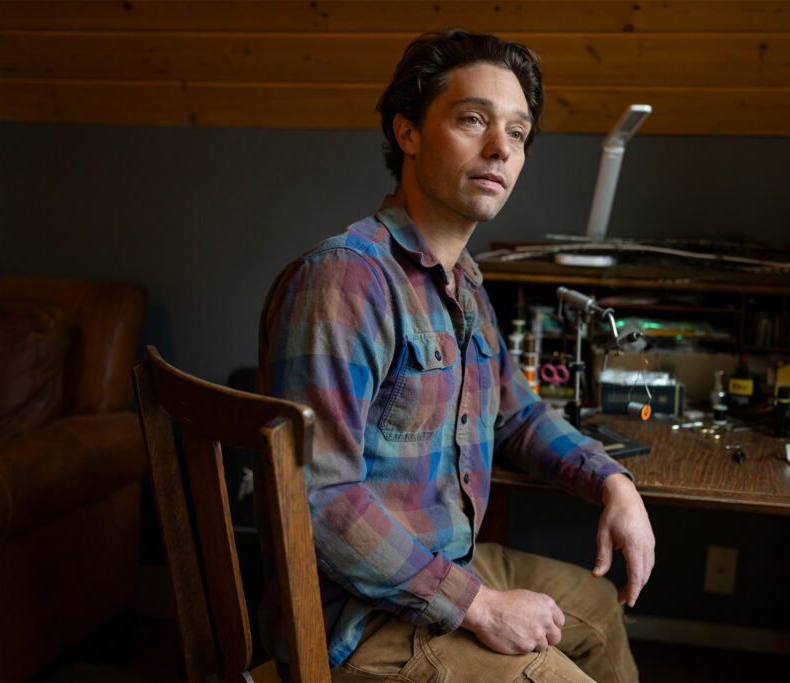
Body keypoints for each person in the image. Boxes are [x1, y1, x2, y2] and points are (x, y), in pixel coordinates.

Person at [258, 29, 655, 681]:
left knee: (600, 612)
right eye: (474, 119)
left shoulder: (462, 280)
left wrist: (612, 480)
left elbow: (517, 414)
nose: (501, 148)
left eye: (519, 133)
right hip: (355, 620)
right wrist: (482, 607)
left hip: (447, 564)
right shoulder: (346, 280)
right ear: (408, 132)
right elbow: (317, 499)